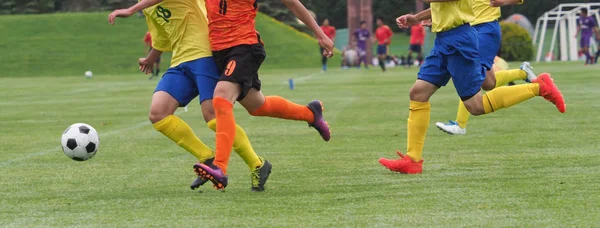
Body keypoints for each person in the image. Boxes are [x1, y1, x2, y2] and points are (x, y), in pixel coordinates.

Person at [378, 0, 566, 174]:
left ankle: (539, 88)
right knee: (418, 92)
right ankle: (413, 160)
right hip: (444, 39)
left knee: (476, 106)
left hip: (459, 40)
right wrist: (417, 18)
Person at [108, 0, 271, 192]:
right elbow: (162, 36)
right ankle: (206, 158)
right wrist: (151, 58)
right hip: (180, 61)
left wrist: (131, 10)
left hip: (205, 55)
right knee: (158, 113)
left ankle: (257, 165)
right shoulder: (146, 5)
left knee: (213, 117)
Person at [193, 0, 334, 190]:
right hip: (220, 53)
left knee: (221, 97)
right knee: (257, 106)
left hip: (245, 48)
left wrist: (320, 34)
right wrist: (138, 6)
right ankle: (311, 113)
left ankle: (219, 167)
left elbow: (292, 3)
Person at [435, 0, 542, 135]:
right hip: (468, 29)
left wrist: (502, 2)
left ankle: (460, 125)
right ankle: (522, 73)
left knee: (470, 73)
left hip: (485, 29)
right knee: (488, 82)